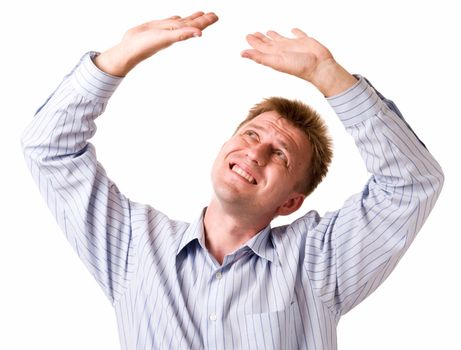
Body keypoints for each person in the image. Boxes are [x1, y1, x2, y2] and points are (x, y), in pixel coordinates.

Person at [21, 11, 444, 350]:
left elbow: (411, 184)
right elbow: (48, 149)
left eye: (279, 154)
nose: (254, 153)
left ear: (290, 203)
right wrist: (116, 60)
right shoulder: (134, 246)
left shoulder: (317, 261)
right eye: (251, 135)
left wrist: (328, 76)